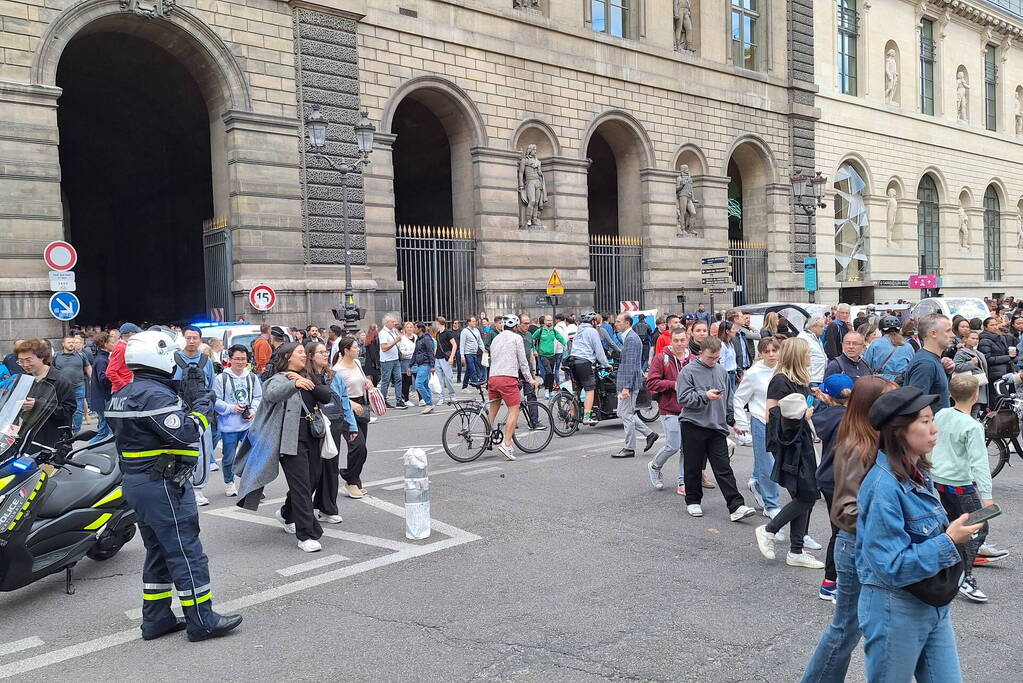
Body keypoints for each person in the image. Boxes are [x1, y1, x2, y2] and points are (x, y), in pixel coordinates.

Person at [105, 328, 242, 642]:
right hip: (162, 484)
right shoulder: (153, 395)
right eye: (172, 357)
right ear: (159, 356)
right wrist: (203, 406)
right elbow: (186, 434)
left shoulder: (125, 391)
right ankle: (202, 620)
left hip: (140, 483)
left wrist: (180, 392)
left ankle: (156, 619)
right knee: (185, 551)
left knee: (158, 551)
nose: (176, 362)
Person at [856, 387, 981, 681]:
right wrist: (949, 540)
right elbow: (891, 566)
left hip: (932, 602)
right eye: (924, 421)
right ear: (899, 430)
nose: (934, 428)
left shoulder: (918, 472)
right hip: (894, 608)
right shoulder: (883, 487)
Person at [800, 375, 898, 682]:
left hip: (864, 545)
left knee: (854, 628)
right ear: (872, 406)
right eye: (890, 400)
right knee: (845, 629)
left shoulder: (876, 438)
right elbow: (844, 511)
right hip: (855, 546)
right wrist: (888, 525)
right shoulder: (858, 445)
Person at [234, 342, 332, 552]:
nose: (304, 356)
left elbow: (326, 395)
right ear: (288, 356)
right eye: (299, 353)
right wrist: (293, 384)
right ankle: (306, 535)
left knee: (312, 480)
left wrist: (305, 382)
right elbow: (272, 394)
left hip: (314, 437)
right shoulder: (278, 379)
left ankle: (287, 513)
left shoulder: (307, 376)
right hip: (290, 443)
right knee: (302, 486)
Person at [753, 337, 825, 569]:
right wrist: (799, 415)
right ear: (797, 355)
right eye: (807, 353)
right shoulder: (780, 380)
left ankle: (796, 550)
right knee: (808, 494)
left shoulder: (798, 379)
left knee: (804, 495)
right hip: (790, 444)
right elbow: (770, 416)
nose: (810, 357)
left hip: (800, 439)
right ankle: (769, 530)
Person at [931, 374, 998, 603]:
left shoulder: (941, 414)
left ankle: (952, 560)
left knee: (952, 522)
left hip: (938, 479)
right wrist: (987, 497)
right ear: (975, 396)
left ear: (950, 394)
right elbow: (979, 463)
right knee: (978, 527)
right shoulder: (973, 426)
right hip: (961, 483)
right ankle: (965, 576)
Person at [676, 336, 756, 521]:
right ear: (700, 353)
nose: (713, 361)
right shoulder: (688, 372)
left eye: (717, 358)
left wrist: (732, 421)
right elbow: (683, 398)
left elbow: (728, 399)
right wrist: (705, 395)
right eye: (710, 358)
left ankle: (736, 505)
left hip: (717, 426)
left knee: (723, 467)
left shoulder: (721, 371)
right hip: (693, 424)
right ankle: (693, 501)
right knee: (693, 466)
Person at [809, 373, 855, 601]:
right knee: (843, 532)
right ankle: (830, 582)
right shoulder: (854, 418)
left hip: (828, 478)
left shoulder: (826, 416)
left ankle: (832, 581)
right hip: (845, 480)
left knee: (839, 530)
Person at [306, 341, 360, 519]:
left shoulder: (334, 376)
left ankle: (328, 508)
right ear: (311, 355)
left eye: (326, 351)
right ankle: (294, 511)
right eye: (321, 352)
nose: (325, 354)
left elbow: (344, 401)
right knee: (312, 471)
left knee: (330, 468)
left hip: (334, 425)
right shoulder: (304, 376)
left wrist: (351, 426)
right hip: (312, 427)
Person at [733, 337, 783, 517]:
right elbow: (739, 398)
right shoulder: (754, 373)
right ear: (760, 354)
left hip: (781, 421)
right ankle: (771, 504)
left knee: (772, 460)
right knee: (767, 463)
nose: (771, 354)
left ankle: (756, 481)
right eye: (766, 351)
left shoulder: (783, 369)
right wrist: (742, 423)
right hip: (761, 420)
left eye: (774, 350)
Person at [487, 314, 539, 460]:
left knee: (492, 411)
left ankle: (486, 439)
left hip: (493, 377)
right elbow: (523, 361)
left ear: (503, 326)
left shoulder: (496, 338)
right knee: (514, 411)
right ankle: (507, 444)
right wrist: (530, 379)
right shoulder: (517, 338)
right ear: (515, 327)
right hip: (507, 378)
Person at [213, 344, 262, 498]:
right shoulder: (222, 378)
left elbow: (258, 397)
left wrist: (253, 410)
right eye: (237, 359)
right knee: (229, 457)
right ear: (230, 359)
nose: (240, 362)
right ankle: (229, 482)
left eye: (243, 359)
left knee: (252, 456)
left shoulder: (252, 377)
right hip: (229, 426)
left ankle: (252, 485)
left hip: (248, 424)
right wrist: (231, 408)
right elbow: (215, 401)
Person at [646, 327, 691, 494]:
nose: (680, 344)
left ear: (687, 340)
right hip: (669, 408)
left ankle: (682, 481)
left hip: (688, 410)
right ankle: (655, 466)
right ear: (671, 341)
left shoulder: (692, 359)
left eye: (682, 340)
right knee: (673, 445)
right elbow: (651, 383)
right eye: (676, 340)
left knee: (686, 447)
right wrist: (673, 385)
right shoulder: (661, 358)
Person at [14, 338, 76, 450]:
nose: (24, 364)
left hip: (52, 441)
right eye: (20, 361)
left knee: (48, 468)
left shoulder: (60, 380)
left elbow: (68, 411)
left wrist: (38, 405)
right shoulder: (23, 379)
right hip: (27, 439)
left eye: (28, 360)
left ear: (42, 357)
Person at [331, 338, 372, 502]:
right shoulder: (337, 370)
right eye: (355, 347)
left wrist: (368, 383)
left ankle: (354, 479)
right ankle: (350, 479)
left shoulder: (357, 364)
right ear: (346, 350)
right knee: (358, 446)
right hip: (347, 410)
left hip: (362, 408)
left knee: (362, 449)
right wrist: (351, 403)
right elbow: (336, 395)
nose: (358, 349)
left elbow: (361, 382)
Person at [613, 313, 656, 459]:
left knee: (627, 415)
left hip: (629, 383)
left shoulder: (631, 338)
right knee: (623, 413)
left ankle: (629, 448)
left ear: (627, 323)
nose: (616, 323)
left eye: (619, 321)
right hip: (627, 381)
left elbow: (631, 364)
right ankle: (649, 434)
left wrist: (626, 387)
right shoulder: (629, 337)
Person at [567, 312, 611, 425]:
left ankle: (572, 418)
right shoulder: (592, 331)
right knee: (590, 390)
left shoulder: (578, 331)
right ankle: (586, 417)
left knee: (576, 391)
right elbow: (599, 351)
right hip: (584, 362)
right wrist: (606, 364)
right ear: (593, 322)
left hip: (573, 361)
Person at [904, 313, 955, 412]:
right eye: (948, 331)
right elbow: (916, 405)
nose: (953, 335)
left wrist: (946, 372)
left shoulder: (930, 360)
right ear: (933, 333)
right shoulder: (926, 364)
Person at [52, 335, 92, 434]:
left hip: (79, 386)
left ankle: (76, 430)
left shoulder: (81, 355)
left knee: (78, 409)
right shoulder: (56, 356)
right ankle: (65, 428)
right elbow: (51, 369)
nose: (71, 344)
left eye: (73, 342)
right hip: (62, 388)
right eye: (69, 342)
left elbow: (88, 367)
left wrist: (93, 379)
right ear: (63, 344)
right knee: (63, 408)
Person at [88, 332, 115, 443]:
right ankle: (84, 450)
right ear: (104, 344)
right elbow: (103, 379)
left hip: (101, 399)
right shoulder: (101, 360)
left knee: (105, 430)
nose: (114, 344)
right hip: (103, 399)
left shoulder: (101, 358)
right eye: (111, 342)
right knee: (104, 432)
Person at [953, 329, 988, 417]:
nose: (975, 341)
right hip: (969, 385)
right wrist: (971, 363)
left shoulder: (978, 353)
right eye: (973, 338)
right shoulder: (961, 352)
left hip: (979, 384)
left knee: (975, 409)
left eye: (977, 339)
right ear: (965, 339)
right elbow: (956, 366)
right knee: (970, 410)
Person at [532, 315, 567, 397]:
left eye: (551, 320)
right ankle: (547, 390)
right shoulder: (540, 331)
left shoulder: (554, 331)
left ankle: (550, 390)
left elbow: (561, 339)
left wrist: (566, 345)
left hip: (552, 355)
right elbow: (532, 339)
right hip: (543, 355)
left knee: (551, 373)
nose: (549, 322)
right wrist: (534, 350)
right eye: (548, 320)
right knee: (549, 372)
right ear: (544, 322)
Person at [377, 315, 407, 410]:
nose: (395, 323)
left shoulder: (393, 331)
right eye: (393, 322)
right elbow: (384, 348)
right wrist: (396, 341)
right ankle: (383, 400)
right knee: (386, 381)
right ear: (387, 323)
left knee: (398, 379)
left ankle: (399, 400)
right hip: (387, 360)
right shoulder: (383, 333)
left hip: (395, 359)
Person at [979, 315, 1015, 383]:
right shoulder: (984, 340)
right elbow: (987, 359)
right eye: (992, 325)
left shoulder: (1000, 337)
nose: (995, 327)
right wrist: (1008, 357)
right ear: (985, 327)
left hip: (1007, 370)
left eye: (996, 324)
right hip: (995, 373)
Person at [107, 322, 141, 393]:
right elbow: (110, 372)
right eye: (136, 333)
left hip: (124, 388)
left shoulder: (123, 347)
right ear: (130, 334)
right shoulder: (121, 348)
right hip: (121, 390)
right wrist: (123, 386)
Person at [411, 322, 437, 414]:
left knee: (418, 384)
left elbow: (431, 352)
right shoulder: (419, 339)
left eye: (415, 327)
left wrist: (432, 366)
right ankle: (430, 404)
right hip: (421, 364)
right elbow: (415, 353)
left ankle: (429, 403)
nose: (413, 329)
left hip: (425, 364)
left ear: (420, 329)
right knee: (425, 385)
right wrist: (410, 365)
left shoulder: (426, 339)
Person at [433, 316, 458, 404]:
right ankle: (441, 397)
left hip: (445, 358)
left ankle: (452, 395)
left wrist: (451, 356)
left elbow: (454, 345)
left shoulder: (448, 333)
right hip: (438, 358)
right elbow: (437, 346)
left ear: (438, 323)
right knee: (439, 379)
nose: (435, 324)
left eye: (436, 323)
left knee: (448, 378)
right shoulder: (438, 333)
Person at [797, 315, 827, 388]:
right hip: (811, 378)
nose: (824, 329)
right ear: (813, 327)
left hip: (818, 376)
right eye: (821, 327)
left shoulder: (815, 337)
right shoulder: (804, 338)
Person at [460, 316, 486, 389]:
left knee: (469, 370)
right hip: (468, 353)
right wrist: (462, 355)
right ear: (469, 322)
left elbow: (480, 341)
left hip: (475, 353)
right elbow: (462, 344)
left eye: (475, 321)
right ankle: (478, 387)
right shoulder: (464, 331)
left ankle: (464, 386)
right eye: (473, 321)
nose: (475, 323)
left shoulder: (476, 330)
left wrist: (483, 349)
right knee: (473, 369)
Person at [398, 321, 417, 405]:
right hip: (406, 361)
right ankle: (406, 399)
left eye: (411, 327)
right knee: (407, 381)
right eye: (408, 327)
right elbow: (402, 352)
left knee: (417, 380)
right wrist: (412, 352)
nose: (409, 329)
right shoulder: (402, 338)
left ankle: (421, 399)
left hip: (416, 361)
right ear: (404, 329)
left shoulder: (416, 337)